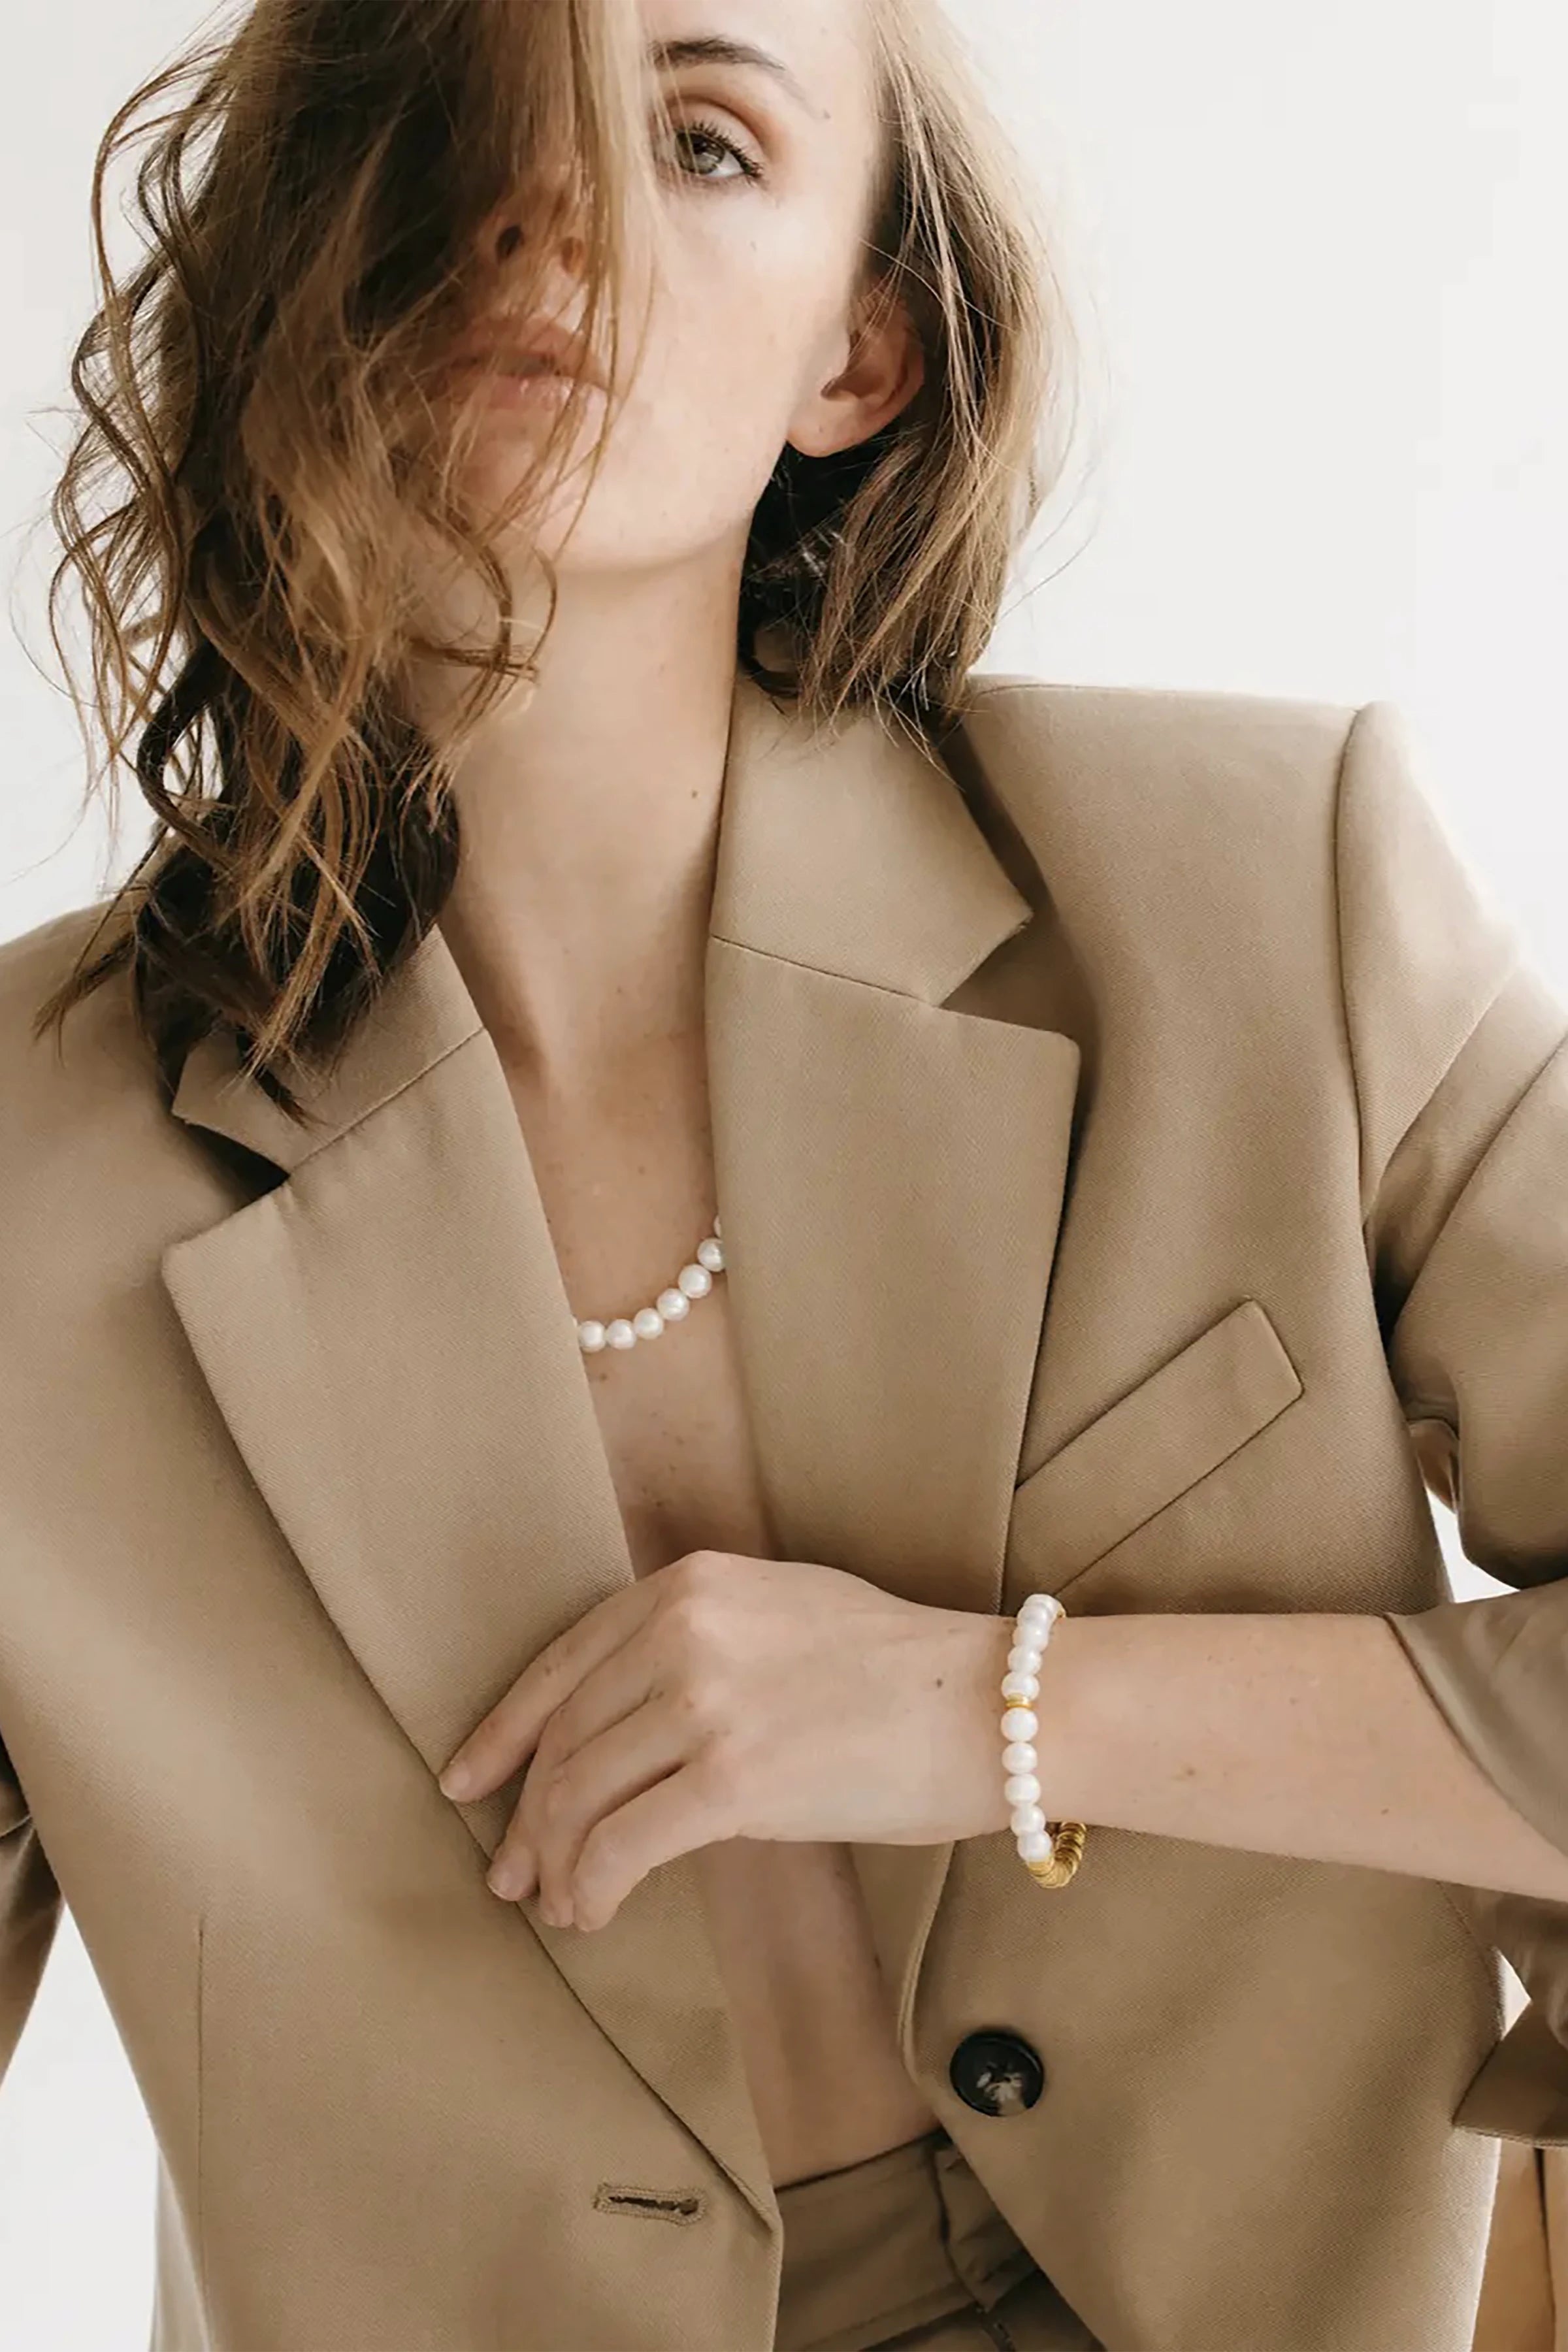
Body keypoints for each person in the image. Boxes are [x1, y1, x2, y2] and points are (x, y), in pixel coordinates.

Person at [3, 1, 1567, 2346]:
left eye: (709, 137)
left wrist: (989, 1713)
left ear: (863, 348)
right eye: (463, 129)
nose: (563, 217)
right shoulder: (28, 1174)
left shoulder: (1269, 895)